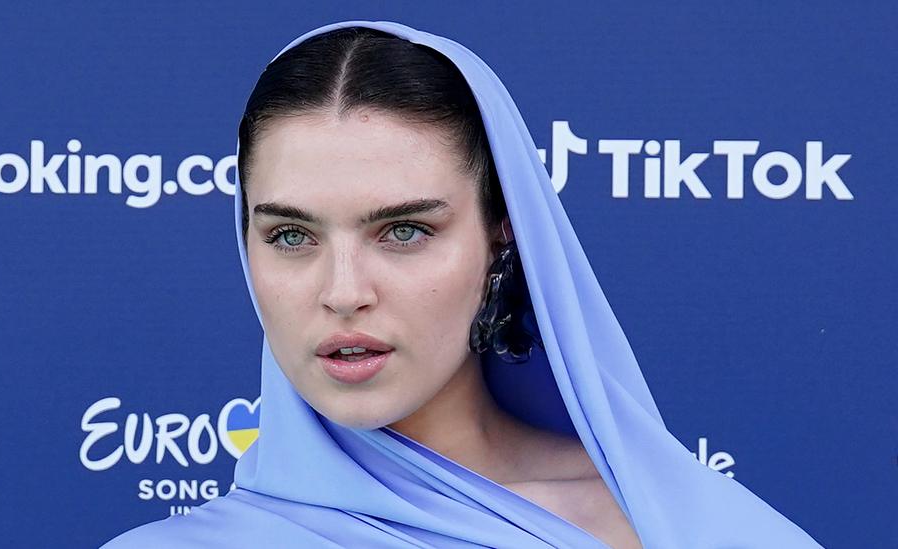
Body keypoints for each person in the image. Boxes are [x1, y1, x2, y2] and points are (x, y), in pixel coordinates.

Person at [103, 20, 823, 548]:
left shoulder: (676, 523)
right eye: (291, 235)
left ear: (501, 232)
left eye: (404, 231)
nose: (343, 291)